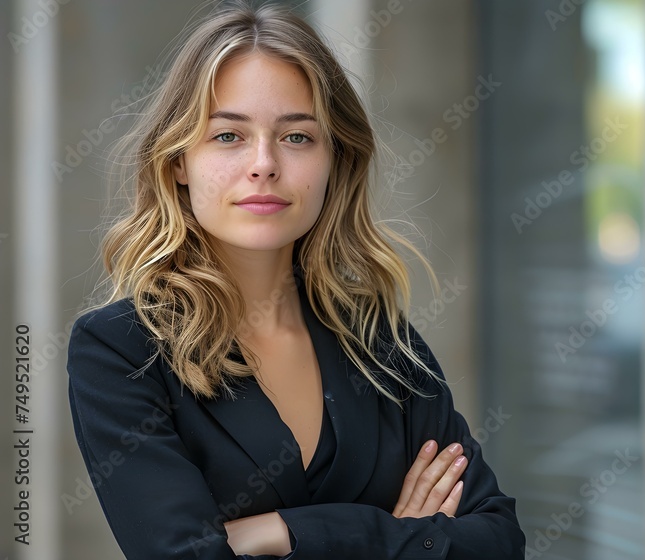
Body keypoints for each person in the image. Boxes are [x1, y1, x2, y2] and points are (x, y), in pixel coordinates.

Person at [65, 2, 524, 558]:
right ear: (178, 162)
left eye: (298, 137)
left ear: (336, 159)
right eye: (228, 136)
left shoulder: (381, 343)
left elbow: (498, 541)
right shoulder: (120, 352)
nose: (263, 164)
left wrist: (280, 531)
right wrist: (406, 538)